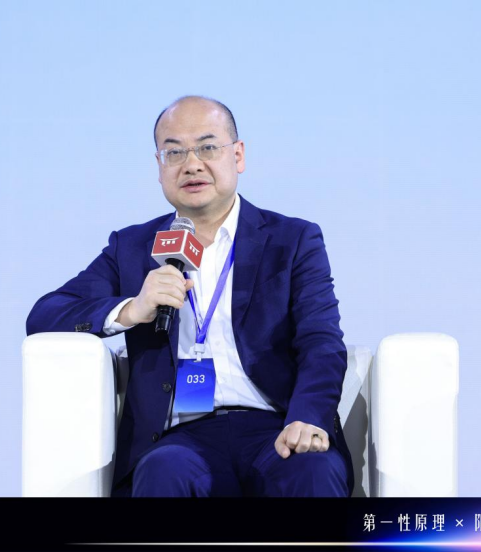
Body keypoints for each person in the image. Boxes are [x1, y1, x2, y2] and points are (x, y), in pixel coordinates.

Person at [26, 96, 353, 497]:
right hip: (180, 438)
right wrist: (132, 309)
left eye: (207, 147)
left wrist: (308, 418)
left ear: (238, 155)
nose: (192, 164)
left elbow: (321, 339)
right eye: (174, 152)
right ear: (159, 166)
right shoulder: (133, 247)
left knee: (313, 472)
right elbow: (45, 315)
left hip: (277, 426)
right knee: (163, 472)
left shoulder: (293, 239)